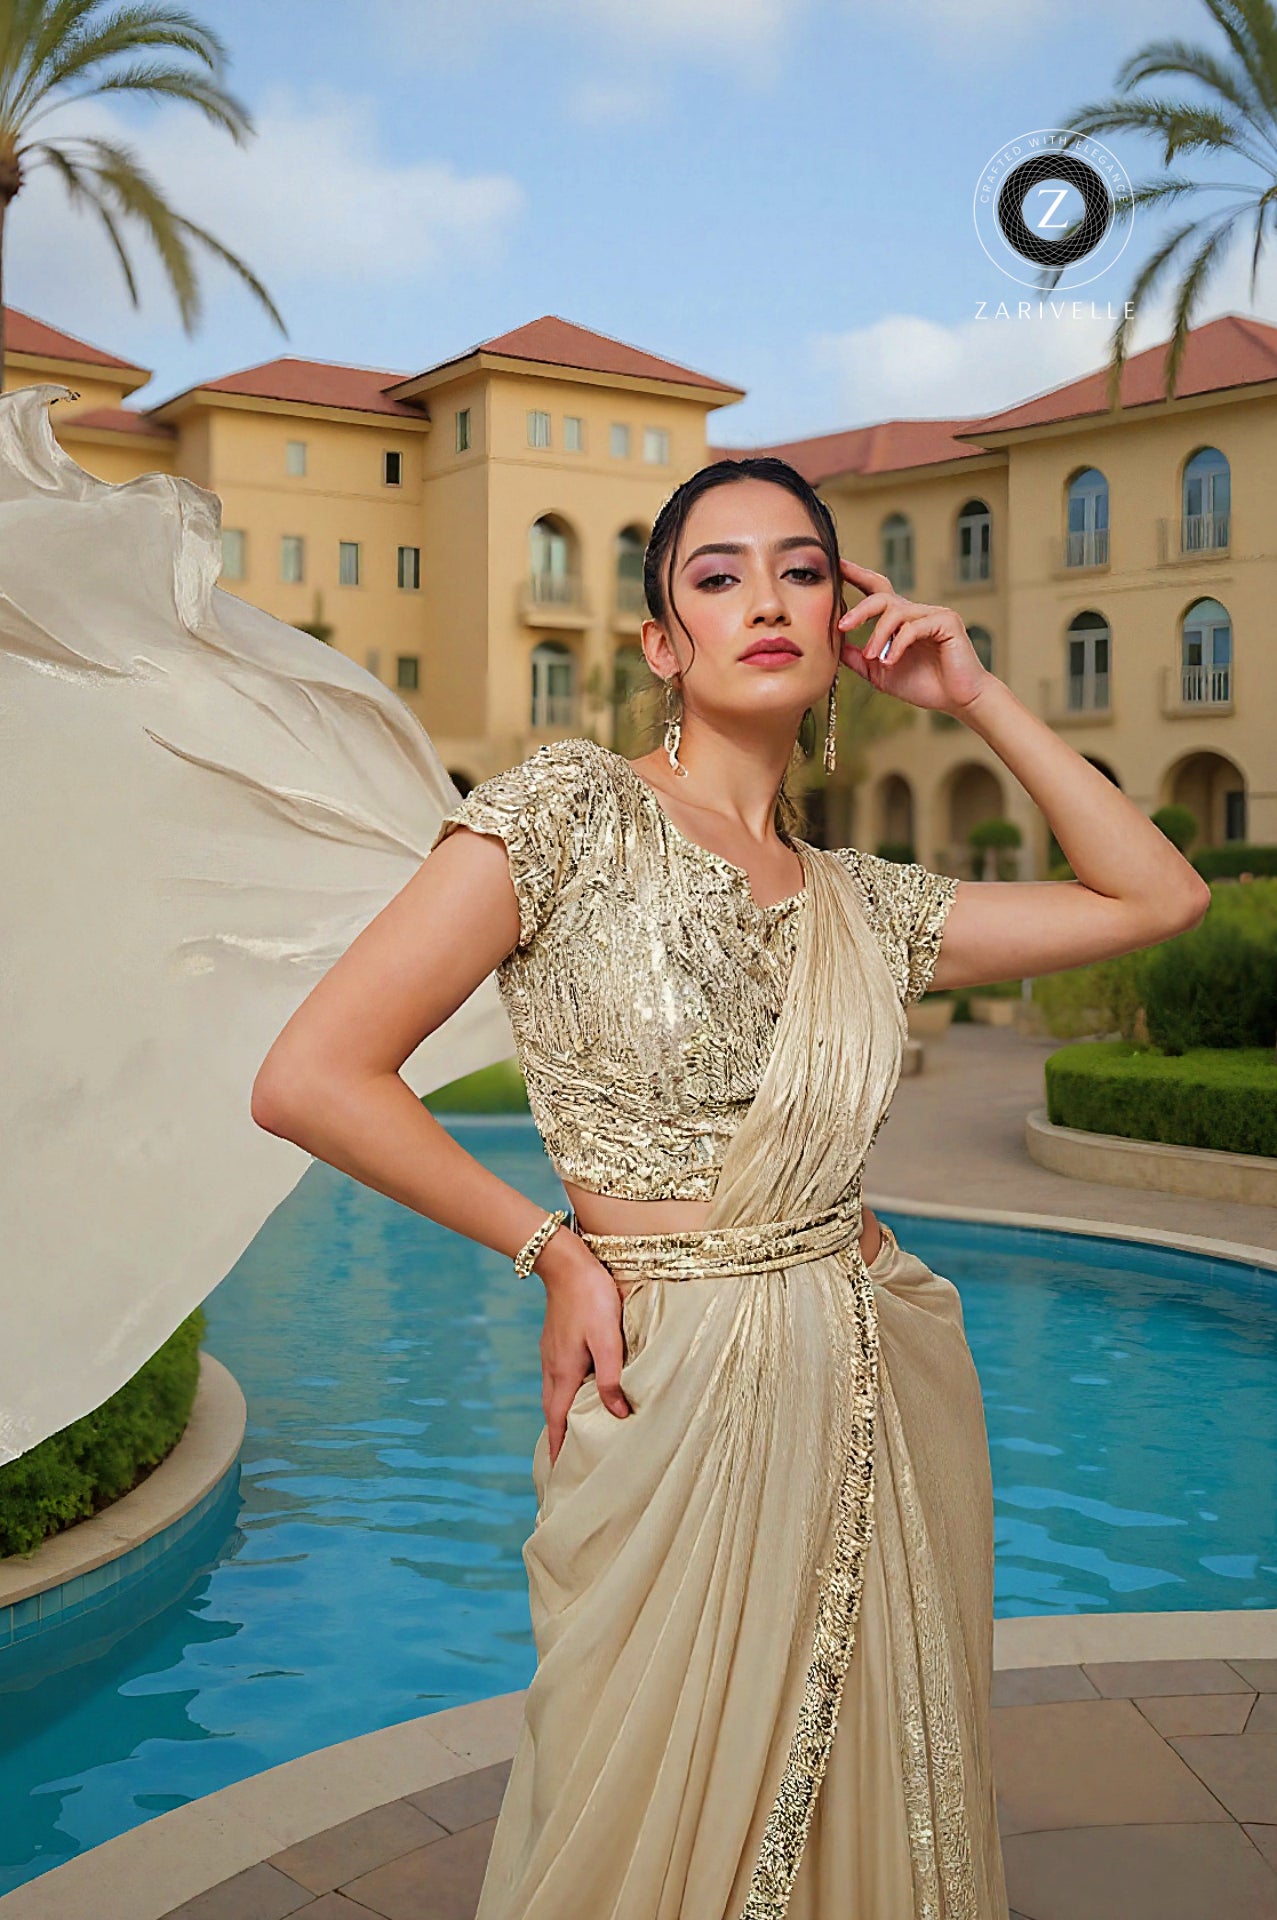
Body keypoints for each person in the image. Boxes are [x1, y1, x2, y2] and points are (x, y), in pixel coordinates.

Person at [251, 457, 1211, 1919]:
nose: (764, 597)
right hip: (665, 1387)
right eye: (716, 575)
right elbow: (314, 1076)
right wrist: (553, 1254)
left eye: (801, 571)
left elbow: (1153, 897)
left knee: (859, 1798)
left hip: (870, 1382)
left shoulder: (865, 904)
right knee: (625, 1802)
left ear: (842, 621)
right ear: (660, 643)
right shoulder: (564, 813)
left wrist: (977, 693)